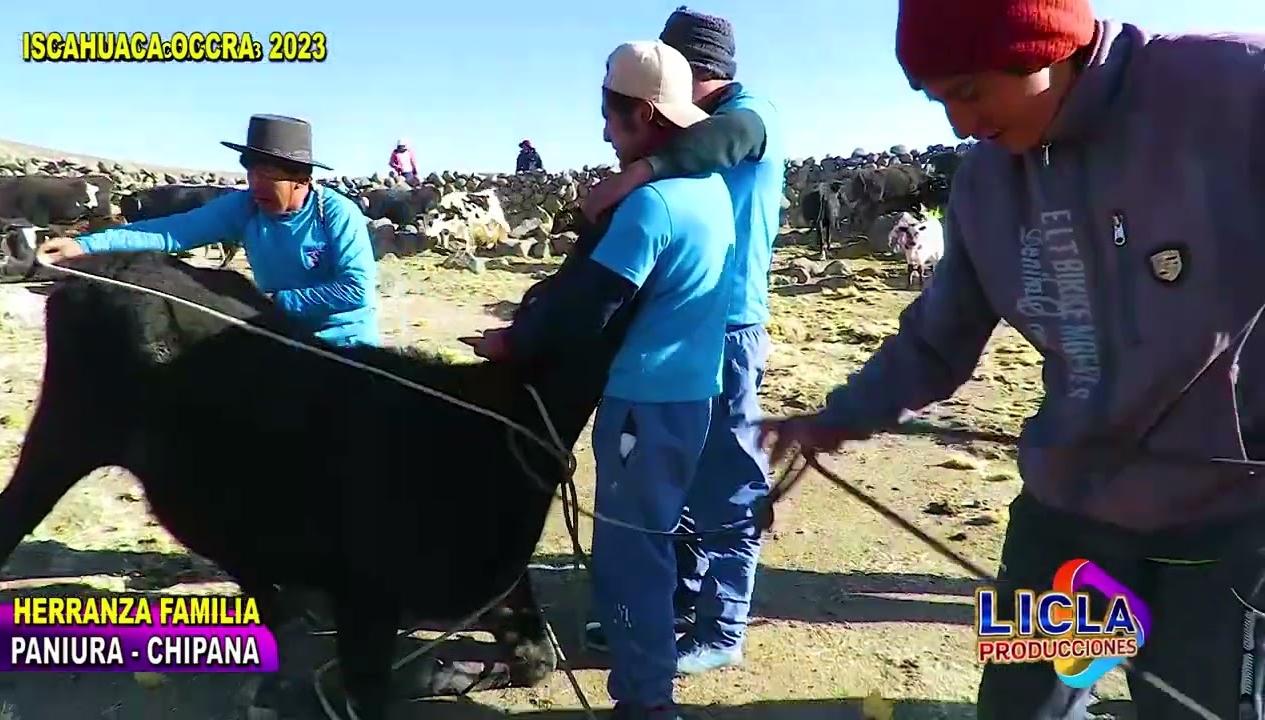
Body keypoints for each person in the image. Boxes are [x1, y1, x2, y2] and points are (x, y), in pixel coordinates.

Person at [758, 1, 1265, 718]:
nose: (959, 125)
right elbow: (940, 336)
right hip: (1061, 522)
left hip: (1223, 527)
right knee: (1018, 708)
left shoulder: (1233, 88)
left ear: (1047, 47)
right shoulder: (986, 181)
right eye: (939, 101)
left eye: (969, 91)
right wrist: (837, 418)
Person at [468, 39, 735, 720]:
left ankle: (647, 704)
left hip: (642, 406)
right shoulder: (710, 194)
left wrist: (509, 341)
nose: (605, 131)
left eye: (610, 117)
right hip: (691, 398)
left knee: (628, 560)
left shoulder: (652, 208)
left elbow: (590, 309)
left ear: (643, 116)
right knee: (655, 539)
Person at [578, 6, 783, 676]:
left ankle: (722, 630)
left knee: (726, 481)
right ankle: (669, 603)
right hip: (691, 325)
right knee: (680, 477)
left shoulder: (752, 116)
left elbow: (729, 140)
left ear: (695, 74)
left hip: (728, 325)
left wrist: (636, 173)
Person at [38, 114, 380, 348]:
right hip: (281, 336)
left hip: (343, 346)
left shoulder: (336, 215)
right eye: (251, 173)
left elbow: (355, 291)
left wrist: (273, 301)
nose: (255, 185)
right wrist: (85, 246)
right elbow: (171, 231)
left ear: (302, 180)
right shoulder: (246, 207)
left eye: (269, 176)